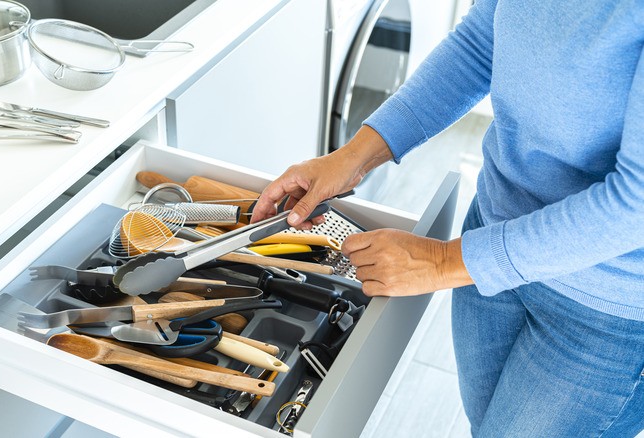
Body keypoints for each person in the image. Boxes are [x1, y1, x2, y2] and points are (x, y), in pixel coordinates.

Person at [250, 0, 644, 436]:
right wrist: (354, 157)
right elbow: (480, 45)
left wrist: (443, 263)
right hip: (492, 238)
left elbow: (636, 203)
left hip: (606, 308)